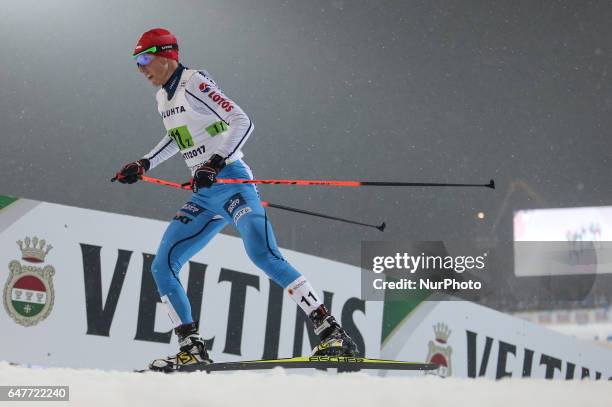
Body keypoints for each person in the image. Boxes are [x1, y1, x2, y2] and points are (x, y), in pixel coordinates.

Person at [113, 28, 357, 372]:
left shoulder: (194, 82)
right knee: (162, 264)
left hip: (232, 181)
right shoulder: (162, 98)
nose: (140, 68)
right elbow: (176, 138)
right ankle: (191, 345)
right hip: (205, 194)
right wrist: (144, 162)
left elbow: (243, 120)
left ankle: (332, 332)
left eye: (143, 59)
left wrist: (214, 162)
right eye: (136, 62)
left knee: (262, 253)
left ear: (166, 54)